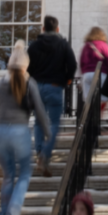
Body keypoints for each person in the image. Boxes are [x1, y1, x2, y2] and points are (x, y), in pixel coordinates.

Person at [0, 46, 45, 215]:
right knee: (24, 174)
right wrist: (48, 132)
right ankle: (13, 213)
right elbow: (39, 110)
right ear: (25, 66)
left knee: (8, 176)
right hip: (19, 131)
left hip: (0, 133)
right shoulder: (29, 84)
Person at [28, 15, 80, 176]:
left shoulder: (34, 46)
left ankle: (39, 152)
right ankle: (45, 155)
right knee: (54, 124)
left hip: (36, 87)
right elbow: (72, 64)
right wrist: (67, 79)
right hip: (55, 87)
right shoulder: (63, 45)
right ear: (57, 29)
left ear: (43, 29)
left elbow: (27, 67)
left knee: (38, 122)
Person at [80, 27, 108, 122]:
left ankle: (90, 119)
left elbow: (81, 62)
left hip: (87, 74)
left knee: (88, 100)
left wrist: (83, 75)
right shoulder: (104, 45)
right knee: (105, 97)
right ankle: (98, 116)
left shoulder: (86, 46)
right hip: (101, 74)